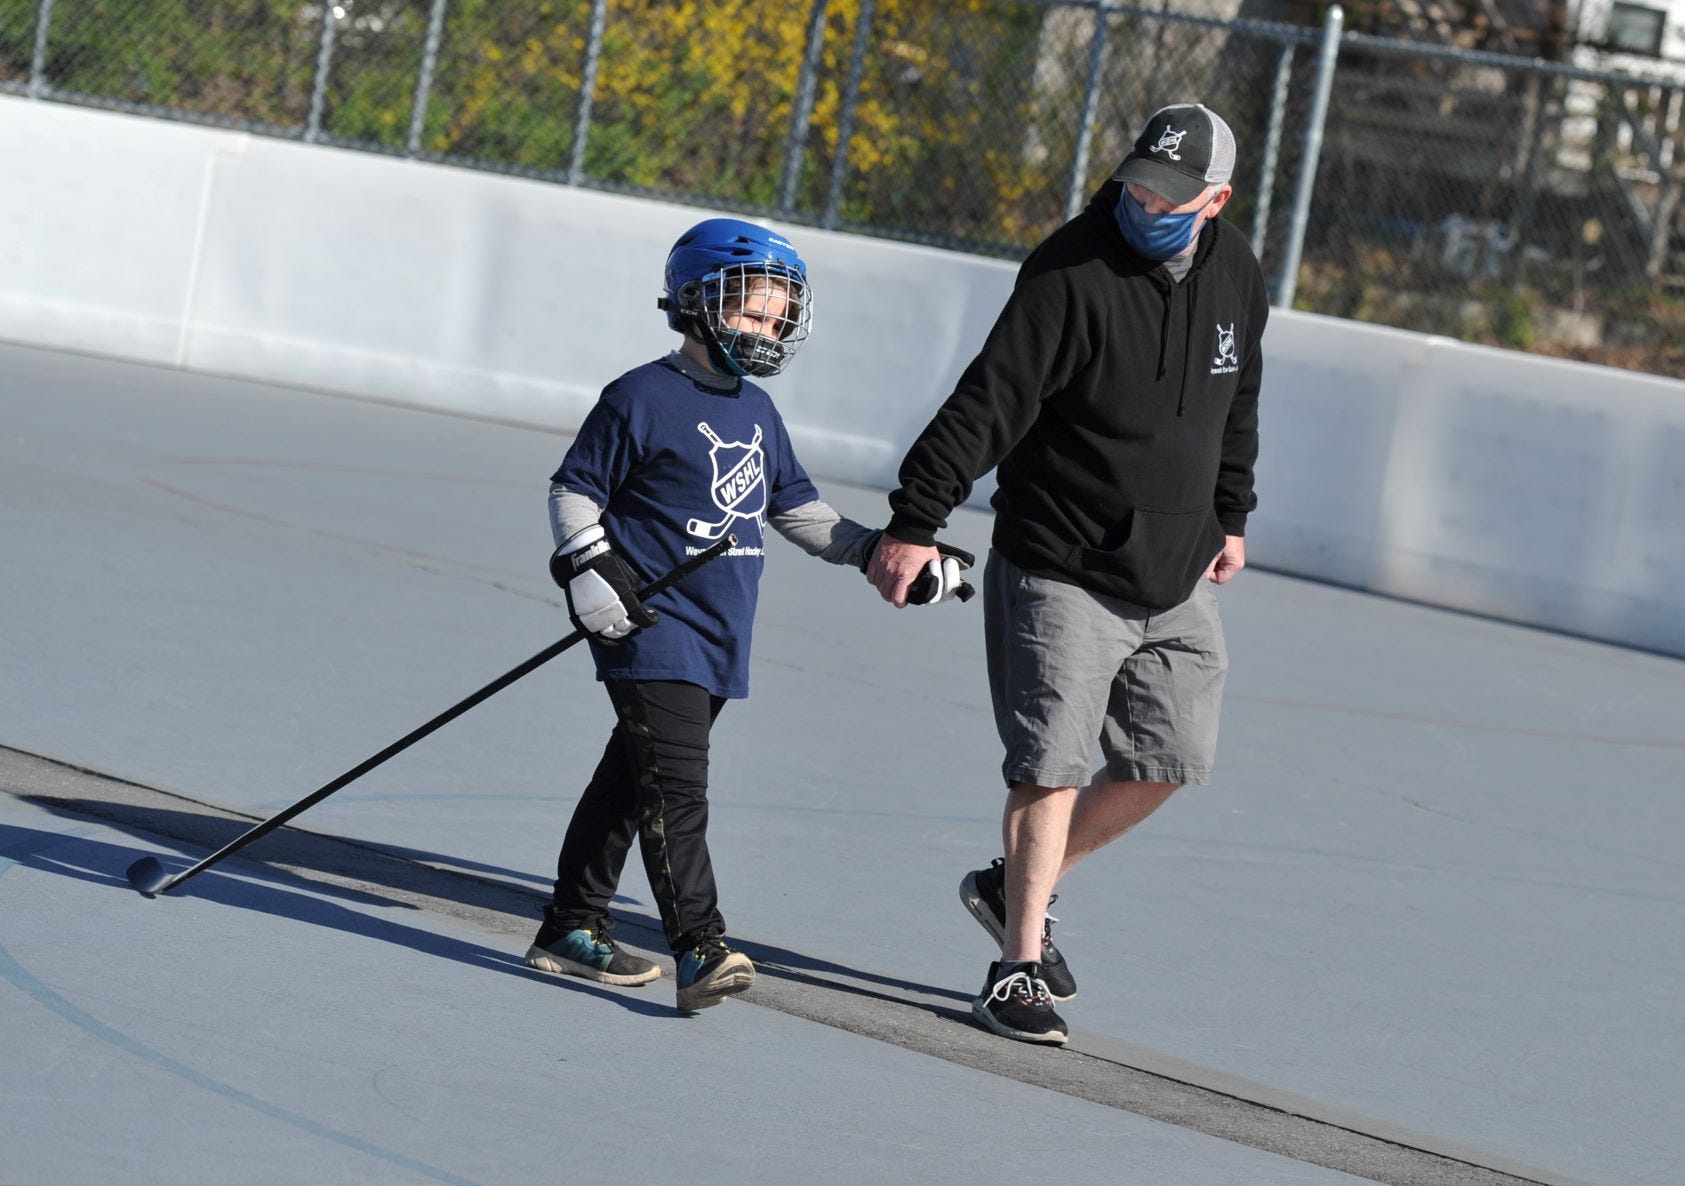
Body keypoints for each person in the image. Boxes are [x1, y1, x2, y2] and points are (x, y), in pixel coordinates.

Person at [867, 103, 1267, 1045]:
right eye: (1135, 183)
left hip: (1175, 568)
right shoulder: (1069, 268)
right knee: (1049, 765)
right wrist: (915, 519)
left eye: (1167, 196)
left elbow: (1238, 395)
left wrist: (1232, 516)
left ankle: (1016, 883)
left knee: (1170, 760)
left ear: (1216, 201)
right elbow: (988, 400)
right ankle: (1015, 966)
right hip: (1062, 561)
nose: (1142, 203)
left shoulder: (1238, 271)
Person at [527, 217, 967, 1013]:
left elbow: (797, 511)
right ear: (696, 302)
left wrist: (885, 552)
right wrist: (588, 564)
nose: (764, 331)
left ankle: (569, 923)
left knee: (633, 781)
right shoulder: (640, 396)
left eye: (775, 319)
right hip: (650, 628)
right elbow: (574, 488)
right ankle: (701, 945)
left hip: (720, 634)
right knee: (677, 793)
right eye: (747, 312)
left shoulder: (757, 412)